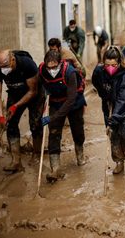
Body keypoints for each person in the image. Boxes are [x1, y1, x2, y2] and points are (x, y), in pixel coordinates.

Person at [0, 49, 43, 172]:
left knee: (35, 124)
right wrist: (1, 117)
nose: (4, 69)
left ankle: (36, 154)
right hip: (14, 93)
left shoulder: (27, 64)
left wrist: (16, 106)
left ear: (12, 60)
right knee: (10, 124)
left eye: (6, 66)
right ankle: (16, 161)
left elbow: (32, 91)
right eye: (1, 66)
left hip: (34, 94)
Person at [39, 50, 87, 182]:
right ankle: (55, 169)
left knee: (78, 132)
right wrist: (43, 111)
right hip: (55, 102)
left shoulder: (70, 72)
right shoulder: (42, 70)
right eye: (49, 67)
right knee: (53, 132)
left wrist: (53, 117)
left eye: (54, 67)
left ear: (60, 63)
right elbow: (40, 89)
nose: (51, 70)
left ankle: (80, 155)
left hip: (73, 104)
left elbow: (71, 100)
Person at [92, 46, 125, 174]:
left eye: (113, 65)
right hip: (108, 105)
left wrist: (112, 122)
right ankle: (119, 161)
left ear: (119, 62)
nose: (110, 67)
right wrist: (104, 94)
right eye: (107, 65)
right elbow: (96, 82)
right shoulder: (99, 71)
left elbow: (122, 100)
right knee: (114, 136)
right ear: (103, 62)